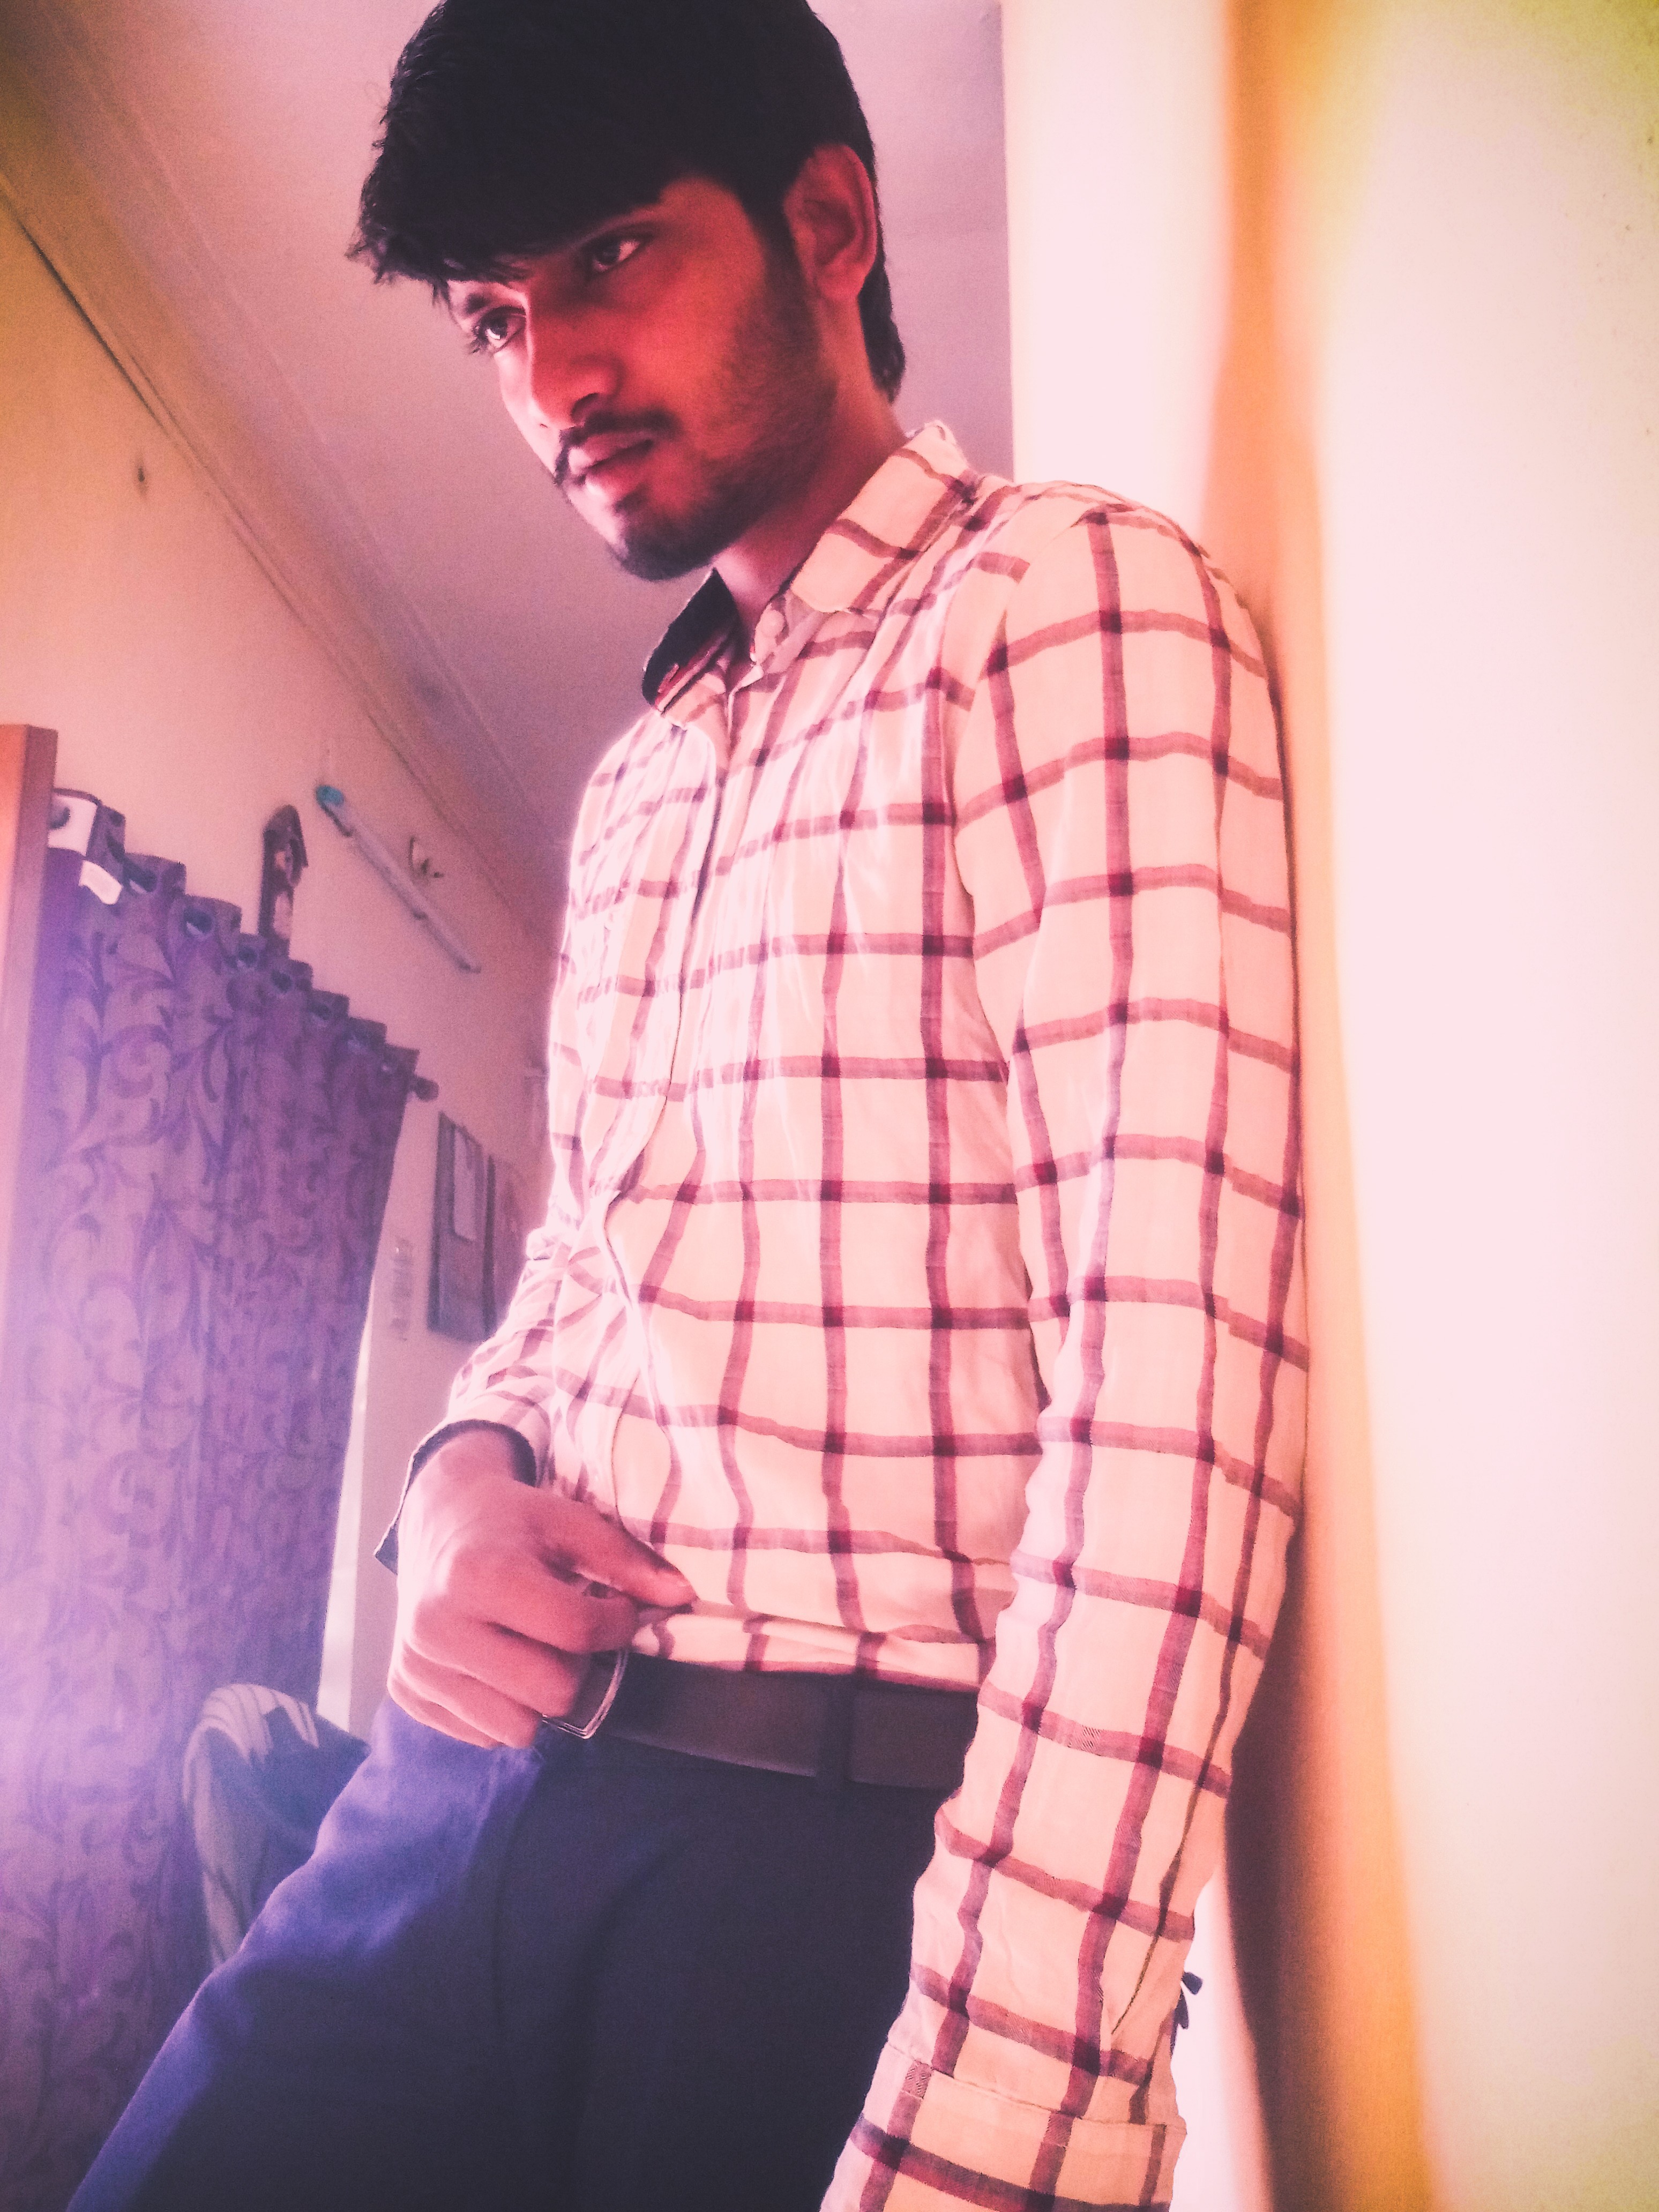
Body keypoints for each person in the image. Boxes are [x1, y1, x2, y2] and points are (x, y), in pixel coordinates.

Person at [73, 2, 1305, 2207]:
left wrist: (1012, 2120)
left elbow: (1175, 1399)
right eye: (494, 315)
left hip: (819, 1868)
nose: (550, 375)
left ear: (829, 224)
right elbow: (580, 1270)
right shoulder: (642, 784)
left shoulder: (1059, 606)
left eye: (611, 257)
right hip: (443, 1804)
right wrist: (455, 1478)